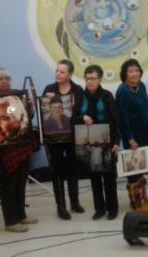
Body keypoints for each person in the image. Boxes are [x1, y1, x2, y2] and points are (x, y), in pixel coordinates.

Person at [0, 68, 38, 232]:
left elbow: (29, 117)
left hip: (23, 146)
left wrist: (31, 108)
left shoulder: (18, 95)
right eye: (0, 79)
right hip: (4, 150)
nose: (5, 81)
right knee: (8, 187)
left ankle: (21, 216)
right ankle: (11, 221)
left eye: (7, 78)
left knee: (21, 184)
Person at [72, 64, 121, 220]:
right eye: (87, 78)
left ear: (100, 79)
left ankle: (112, 208)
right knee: (94, 177)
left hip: (106, 140)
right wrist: (83, 117)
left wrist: (116, 142)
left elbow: (116, 120)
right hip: (87, 141)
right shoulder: (80, 98)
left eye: (93, 79)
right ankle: (99, 209)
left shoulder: (106, 96)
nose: (89, 82)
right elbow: (72, 120)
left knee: (109, 177)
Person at [42, 60, 85, 220]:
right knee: (57, 170)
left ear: (70, 74)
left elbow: (81, 111)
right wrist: (46, 101)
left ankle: (75, 202)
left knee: (73, 168)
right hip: (55, 138)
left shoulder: (78, 89)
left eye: (62, 71)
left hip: (73, 136)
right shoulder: (49, 89)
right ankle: (61, 206)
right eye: (57, 71)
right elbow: (43, 112)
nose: (58, 74)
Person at [116, 59, 148, 212]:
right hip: (132, 136)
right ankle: (136, 203)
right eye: (130, 71)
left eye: (136, 70)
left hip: (144, 133)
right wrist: (130, 138)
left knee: (142, 168)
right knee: (133, 171)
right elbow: (122, 117)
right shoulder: (122, 90)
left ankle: (143, 198)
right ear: (124, 74)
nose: (135, 74)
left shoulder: (141, 86)